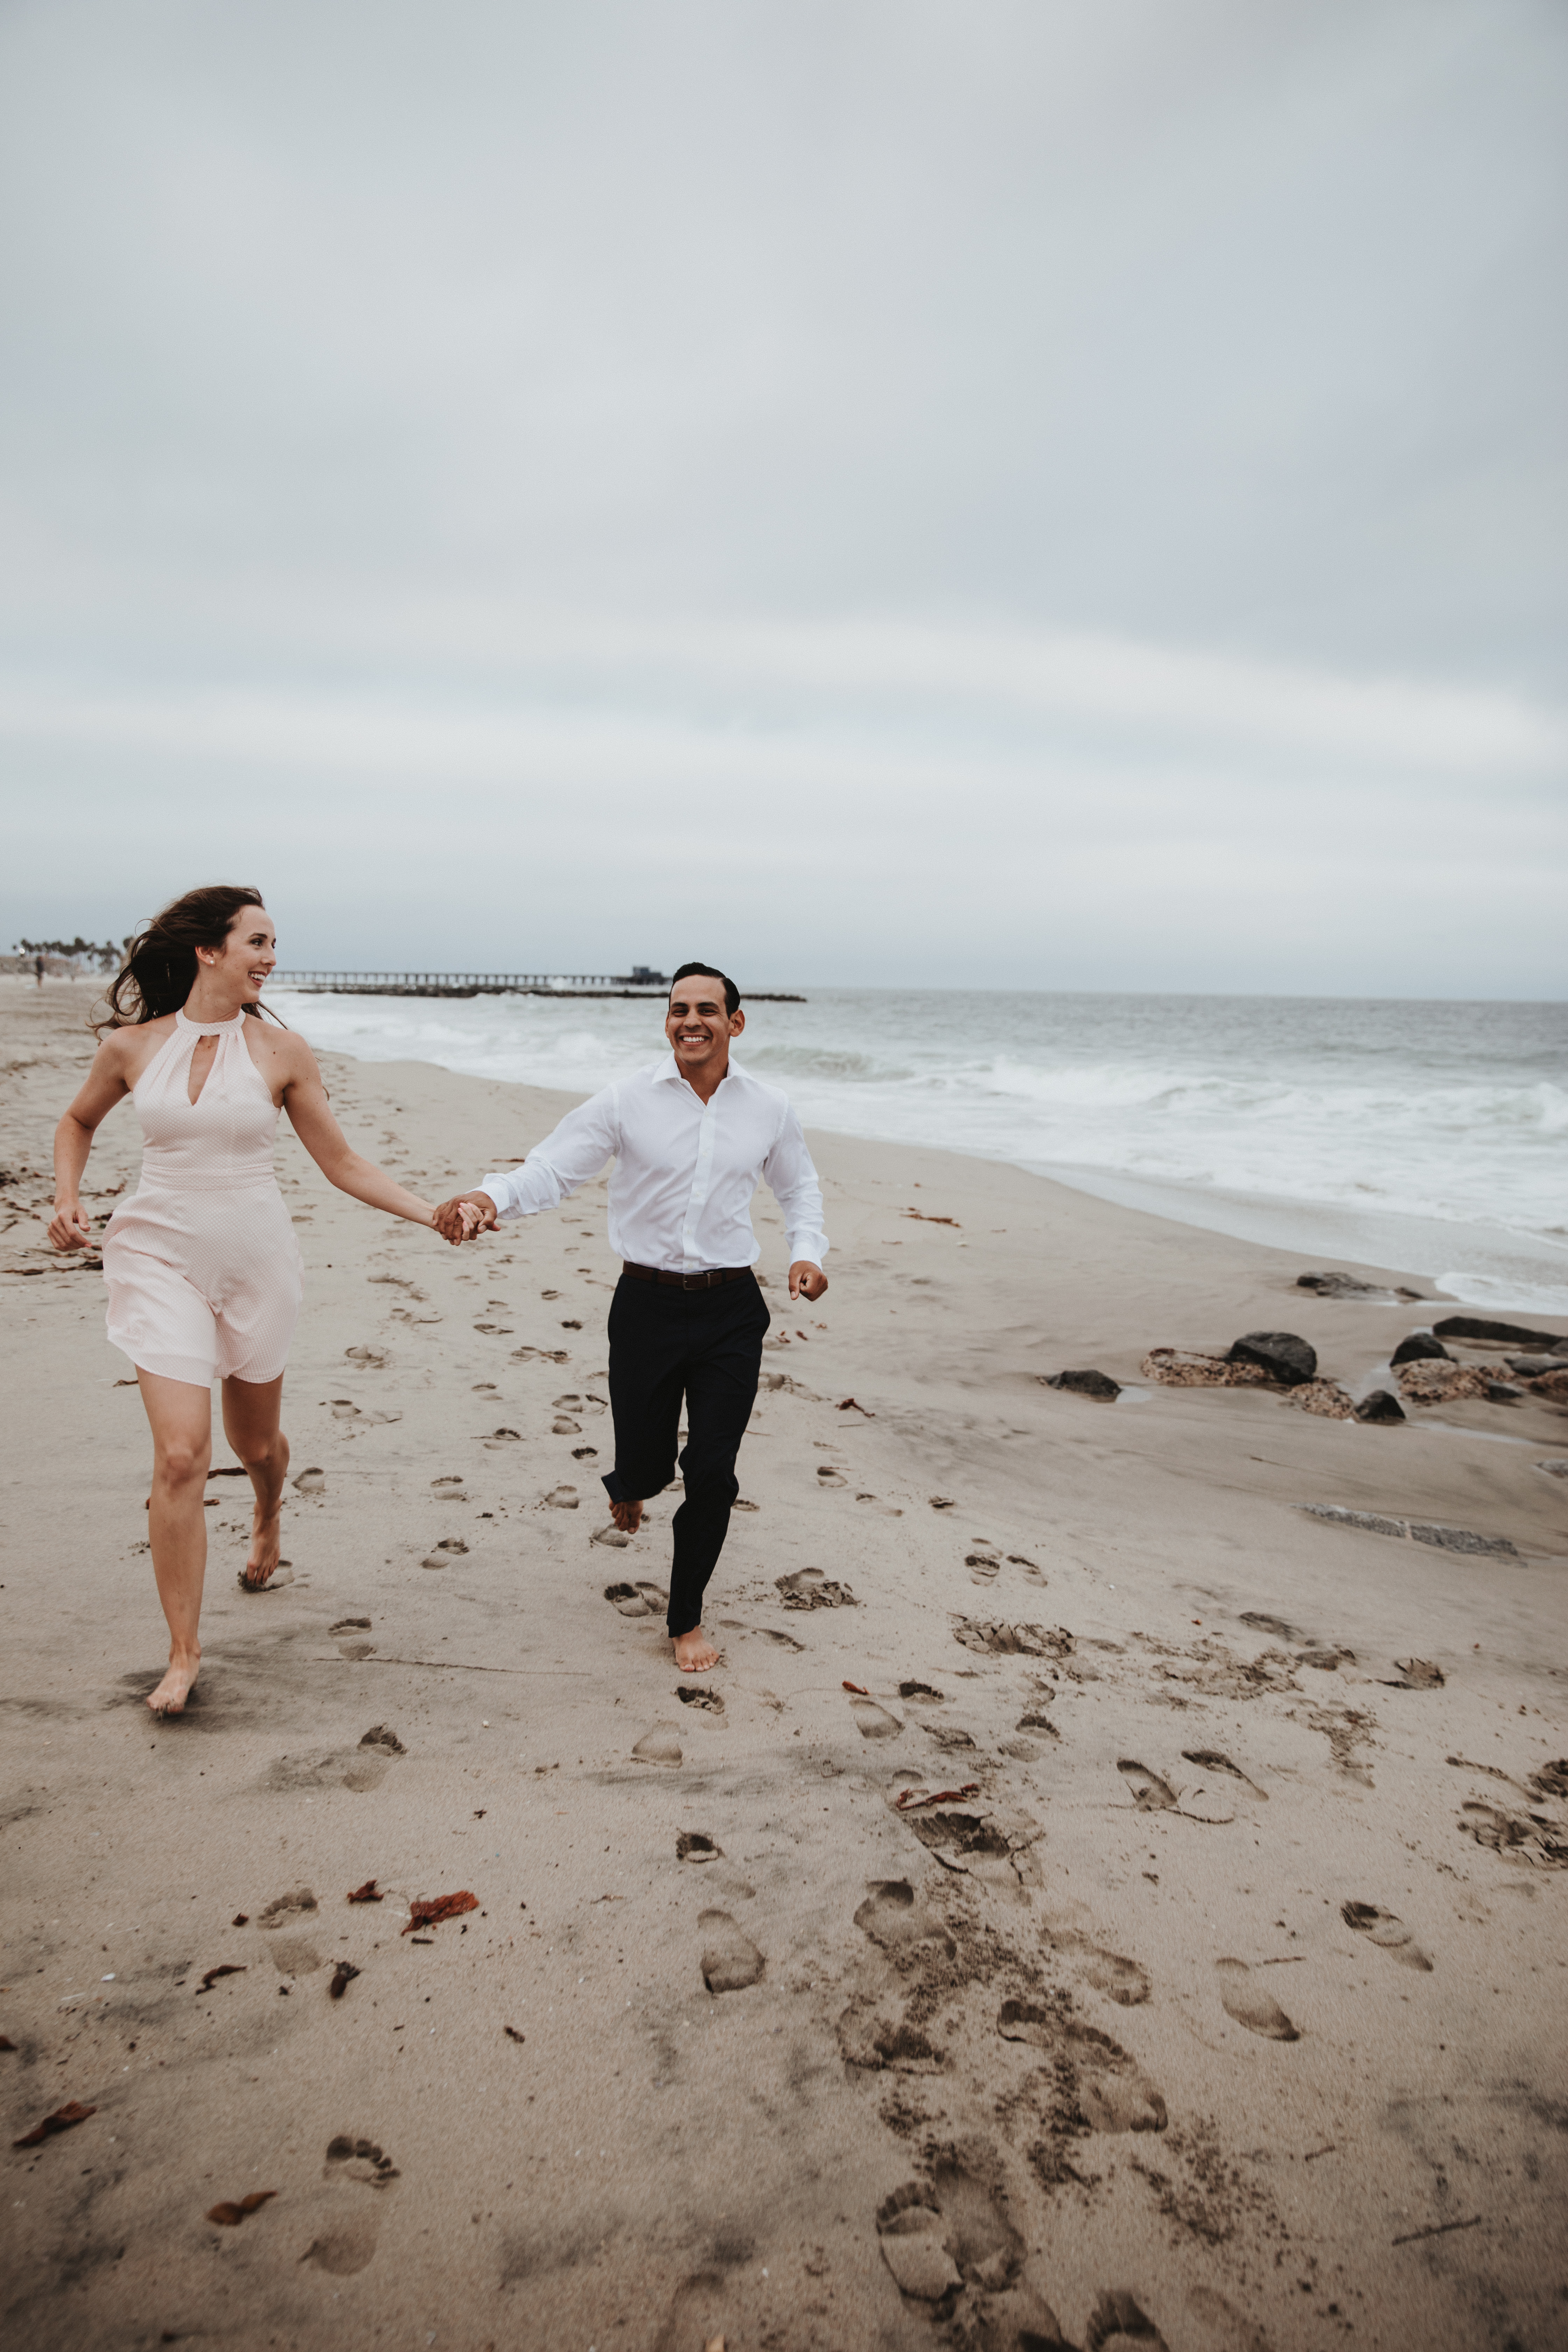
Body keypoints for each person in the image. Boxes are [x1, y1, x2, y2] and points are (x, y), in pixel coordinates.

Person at [48, 884, 461, 1716]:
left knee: (257, 1440)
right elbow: (77, 1122)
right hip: (156, 1254)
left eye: (274, 945)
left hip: (256, 1262)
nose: (272, 959)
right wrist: (67, 1196)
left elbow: (340, 1164)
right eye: (259, 943)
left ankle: (269, 1511)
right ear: (210, 950)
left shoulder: (282, 1053)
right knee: (180, 1457)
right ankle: (184, 1653)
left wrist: (430, 1213)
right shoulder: (134, 1047)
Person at [433, 963, 829, 1673]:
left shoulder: (768, 1106)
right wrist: (489, 1199)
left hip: (731, 1309)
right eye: (678, 1009)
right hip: (644, 1305)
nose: (690, 1021)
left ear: (735, 1023)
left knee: (712, 1470)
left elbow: (799, 1188)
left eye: (707, 1009)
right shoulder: (626, 1101)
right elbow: (552, 1170)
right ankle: (632, 1485)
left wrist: (807, 1254)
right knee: (643, 1458)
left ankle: (685, 1618)